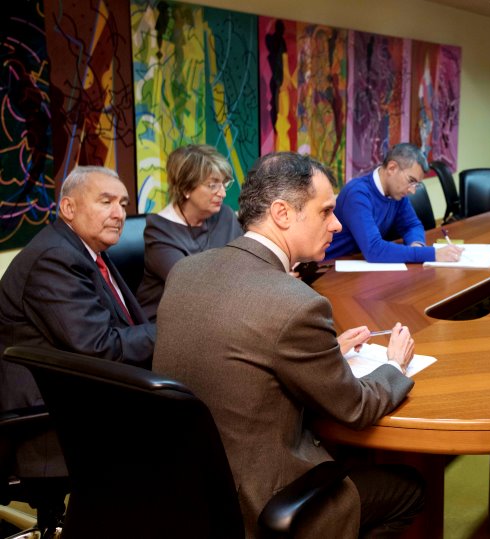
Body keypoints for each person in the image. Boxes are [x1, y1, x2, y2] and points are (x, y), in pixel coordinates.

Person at [152, 152, 424, 538]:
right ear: (282, 214)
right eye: (326, 211)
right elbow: (356, 408)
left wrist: (329, 351)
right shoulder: (297, 304)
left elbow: (246, 347)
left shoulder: (186, 271)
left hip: (187, 494)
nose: (337, 223)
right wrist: (394, 365)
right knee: (409, 489)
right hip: (261, 506)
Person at [0, 165, 155, 476]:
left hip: (83, 400)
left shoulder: (89, 251)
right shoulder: (54, 258)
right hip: (49, 424)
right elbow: (99, 347)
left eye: (123, 204)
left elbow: (123, 330)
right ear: (68, 207)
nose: (119, 214)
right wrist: (172, 331)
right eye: (106, 201)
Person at [137, 144, 242, 321]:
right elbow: (192, 286)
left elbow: (247, 260)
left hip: (217, 317)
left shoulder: (224, 215)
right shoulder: (159, 230)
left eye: (224, 184)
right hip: (167, 325)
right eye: (213, 185)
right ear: (186, 189)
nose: (223, 193)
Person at [324, 143, 463, 263]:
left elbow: (412, 225)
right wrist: (432, 254)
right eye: (411, 181)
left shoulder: (396, 195)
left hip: (361, 264)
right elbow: (373, 249)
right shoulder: (357, 194)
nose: (413, 190)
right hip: (331, 267)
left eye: (417, 184)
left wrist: (417, 245)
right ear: (392, 168)